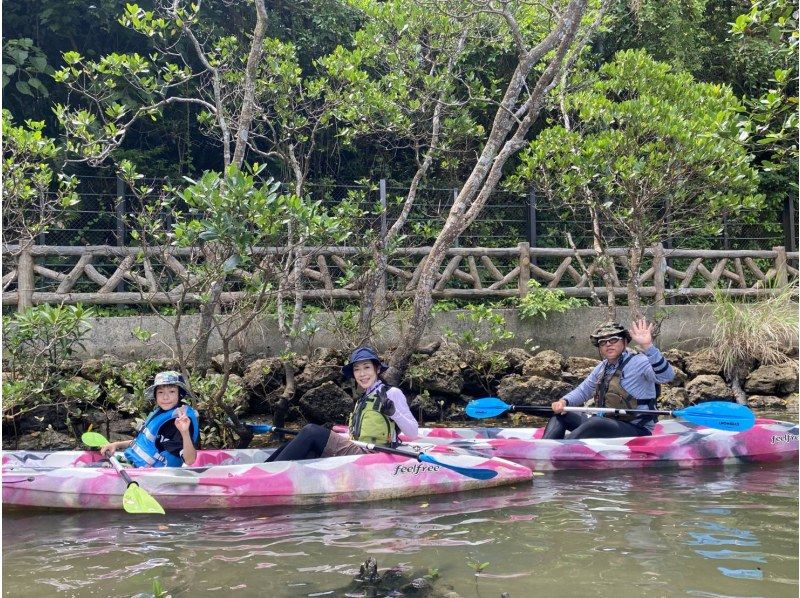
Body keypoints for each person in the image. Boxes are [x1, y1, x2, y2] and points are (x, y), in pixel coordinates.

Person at [267, 347, 418, 461]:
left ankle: (268, 474)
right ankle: (264, 468)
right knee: (304, 440)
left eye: (366, 367)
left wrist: (394, 413)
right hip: (356, 448)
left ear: (377, 369)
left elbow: (413, 433)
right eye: (357, 370)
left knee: (310, 431)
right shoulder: (363, 398)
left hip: (373, 455)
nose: (362, 374)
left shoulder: (392, 393)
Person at [542, 319, 675, 440]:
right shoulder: (603, 367)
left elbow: (667, 376)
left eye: (613, 340)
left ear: (624, 341)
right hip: (607, 423)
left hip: (637, 429)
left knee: (595, 423)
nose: (608, 345)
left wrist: (648, 347)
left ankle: (562, 450)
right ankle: (544, 448)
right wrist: (563, 401)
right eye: (603, 342)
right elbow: (583, 391)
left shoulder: (640, 362)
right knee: (561, 415)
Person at [100, 371, 200, 467]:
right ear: (155, 396)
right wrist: (116, 445)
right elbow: (142, 444)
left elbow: (190, 460)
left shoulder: (180, 421)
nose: (165, 397)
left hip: (153, 474)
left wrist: (185, 432)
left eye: (172, 391)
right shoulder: (161, 413)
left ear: (180, 394)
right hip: (134, 463)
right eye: (160, 392)